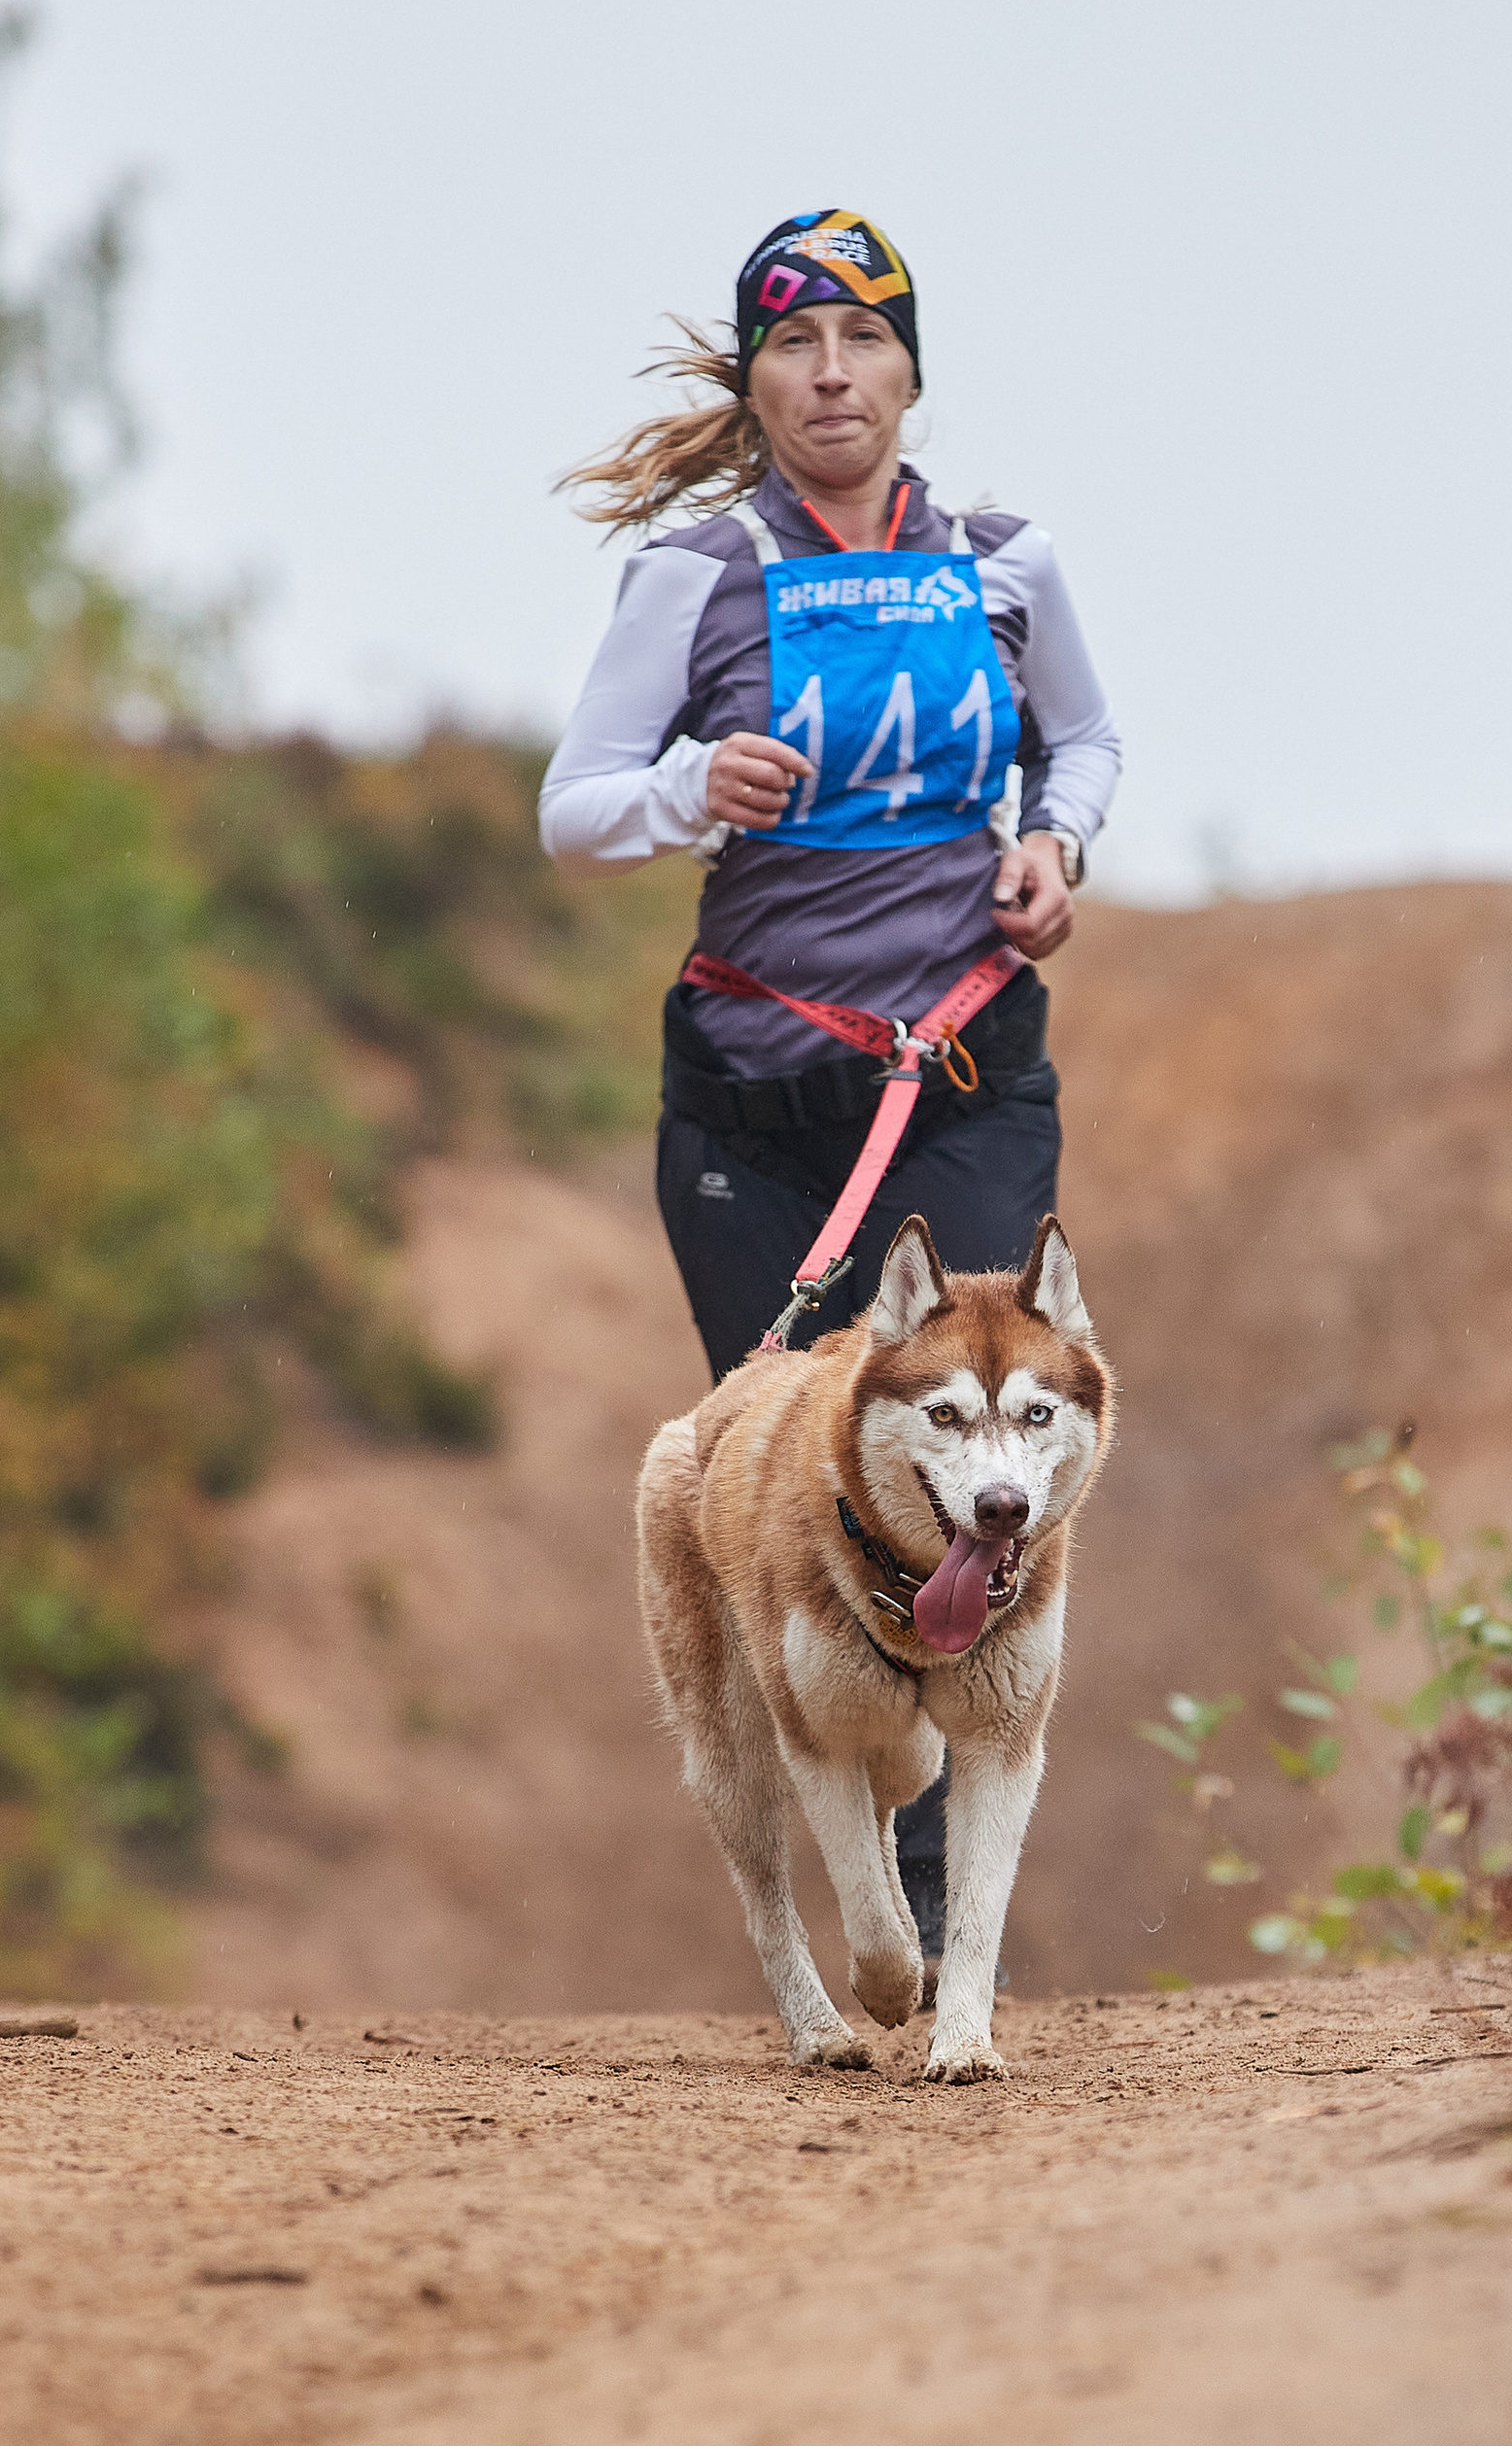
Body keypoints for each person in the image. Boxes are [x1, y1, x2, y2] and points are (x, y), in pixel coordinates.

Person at [540, 208, 1120, 1977]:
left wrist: (1054, 842)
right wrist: (693, 785)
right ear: (757, 380)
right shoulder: (695, 578)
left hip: (962, 1081)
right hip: (754, 1107)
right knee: (803, 1477)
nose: (832, 376)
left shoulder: (1005, 562)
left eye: (864, 343)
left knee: (977, 1450)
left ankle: (941, 1904)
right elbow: (576, 810)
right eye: (795, 348)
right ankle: (860, 1861)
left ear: (912, 372)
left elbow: (1084, 739)